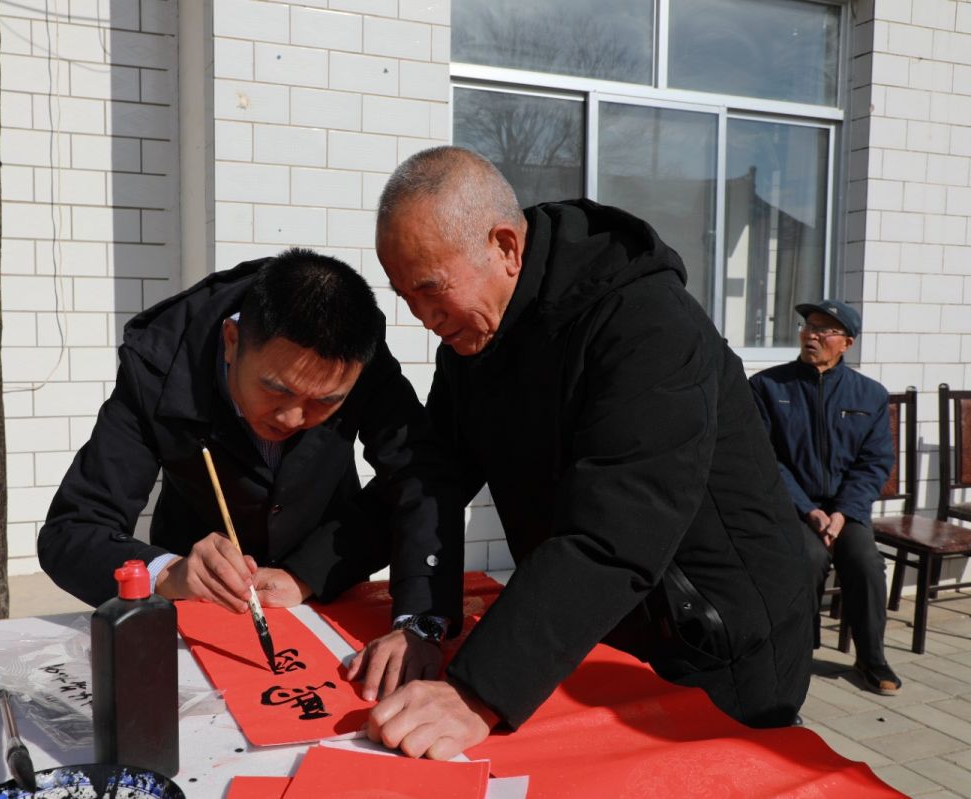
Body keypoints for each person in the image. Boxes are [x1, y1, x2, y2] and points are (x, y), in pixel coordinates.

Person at [361, 146, 814, 760]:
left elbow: (618, 527)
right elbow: (432, 473)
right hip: (604, 628)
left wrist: (476, 692)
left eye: (430, 289)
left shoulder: (646, 321)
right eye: (405, 296)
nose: (423, 318)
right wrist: (306, 571)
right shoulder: (476, 340)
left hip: (714, 639)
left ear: (505, 248)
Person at [38, 248, 463, 670]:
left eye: (324, 402)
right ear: (231, 340)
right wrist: (169, 573)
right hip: (198, 605)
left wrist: (318, 577)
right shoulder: (159, 363)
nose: (292, 418)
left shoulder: (356, 357)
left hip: (327, 586)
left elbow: (420, 475)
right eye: (277, 390)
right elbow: (71, 530)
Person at [749, 300, 901, 696]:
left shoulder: (869, 394)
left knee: (866, 562)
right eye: (808, 326)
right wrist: (808, 510)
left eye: (823, 329)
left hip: (845, 510)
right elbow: (764, 458)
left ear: (846, 343)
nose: (811, 335)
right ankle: (799, 651)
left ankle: (871, 658)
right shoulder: (767, 387)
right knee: (808, 558)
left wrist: (843, 513)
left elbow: (874, 463)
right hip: (792, 506)